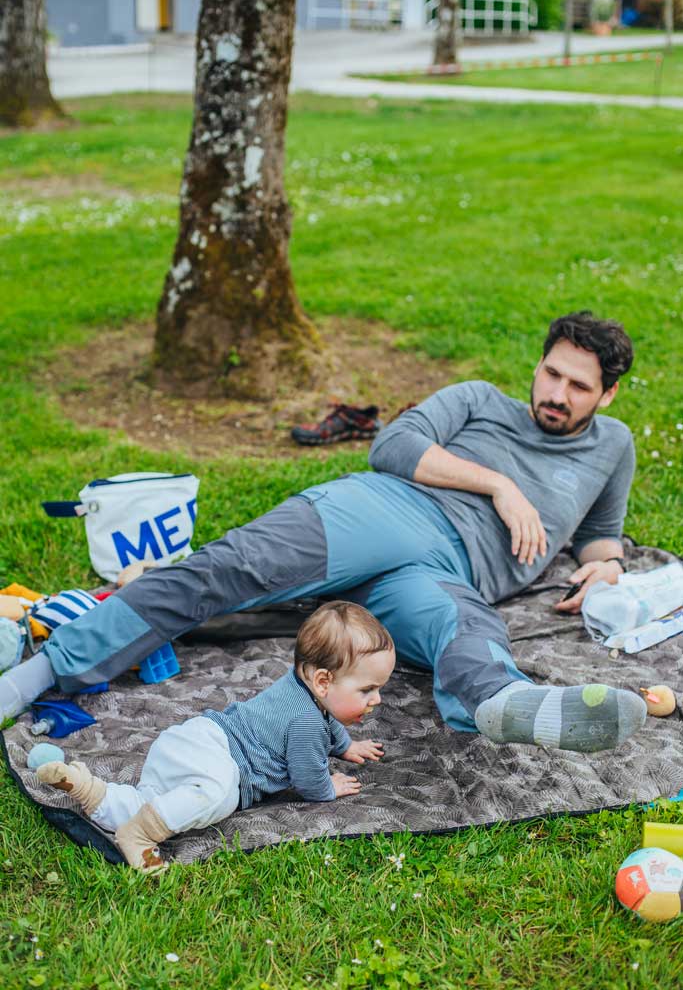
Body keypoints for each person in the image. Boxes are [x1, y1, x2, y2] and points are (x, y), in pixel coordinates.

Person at [1, 311, 647, 754]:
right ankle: (39, 675)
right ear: (537, 365)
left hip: (452, 577)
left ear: (607, 395)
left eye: (577, 386)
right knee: (232, 569)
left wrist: (606, 564)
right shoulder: (478, 400)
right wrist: (498, 486)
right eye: (550, 373)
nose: (555, 392)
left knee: (471, 633)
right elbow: (391, 446)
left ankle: (512, 706)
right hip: (389, 509)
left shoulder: (611, 448)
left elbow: (599, 532)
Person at [36, 601, 394, 872]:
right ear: (322, 681)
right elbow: (307, 774)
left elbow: (329, 717)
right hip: (219, 758)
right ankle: (140, 837)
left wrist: (346, 747)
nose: (376, 699)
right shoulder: (306, 723)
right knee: (217, 796)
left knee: (151, 803)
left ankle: (87, 788)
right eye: (368, 690)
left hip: (191, 741)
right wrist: (328, 788)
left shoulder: (303, 688)